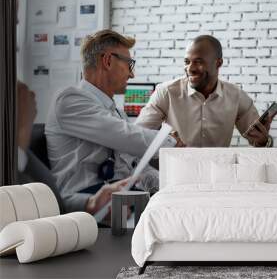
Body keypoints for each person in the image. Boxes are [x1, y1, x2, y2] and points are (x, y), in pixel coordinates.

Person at [45, 29, 183, 215]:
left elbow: (135, 164)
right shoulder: (69, 100)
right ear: (108, 60)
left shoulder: (114, 111)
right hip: (89, 202)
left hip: (120, 195)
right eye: (129, 64)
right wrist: (170, 143)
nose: (132, 74)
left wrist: (171, 186)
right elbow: (126, 136)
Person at [136, 35, 276, 147]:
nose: (190, 68)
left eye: (198, 61)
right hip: (174, 173)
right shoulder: (166, 92)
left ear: (218, 63)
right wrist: (165, 143)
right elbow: (137, 136)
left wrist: (263, 141)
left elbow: (259, 142)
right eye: (187, 62)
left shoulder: (236, 96)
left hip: (217, 175)